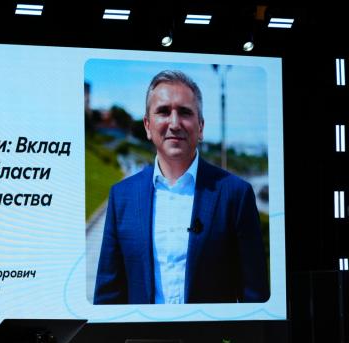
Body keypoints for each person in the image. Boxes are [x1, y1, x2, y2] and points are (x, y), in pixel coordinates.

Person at [93, 70, 269, 305]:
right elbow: (107, 297)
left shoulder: (236, 194)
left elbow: (255, 297)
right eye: (163, 111)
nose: (174, 123)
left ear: (201, 126)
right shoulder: (122, 196)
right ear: (147, 125)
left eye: (185, 112)